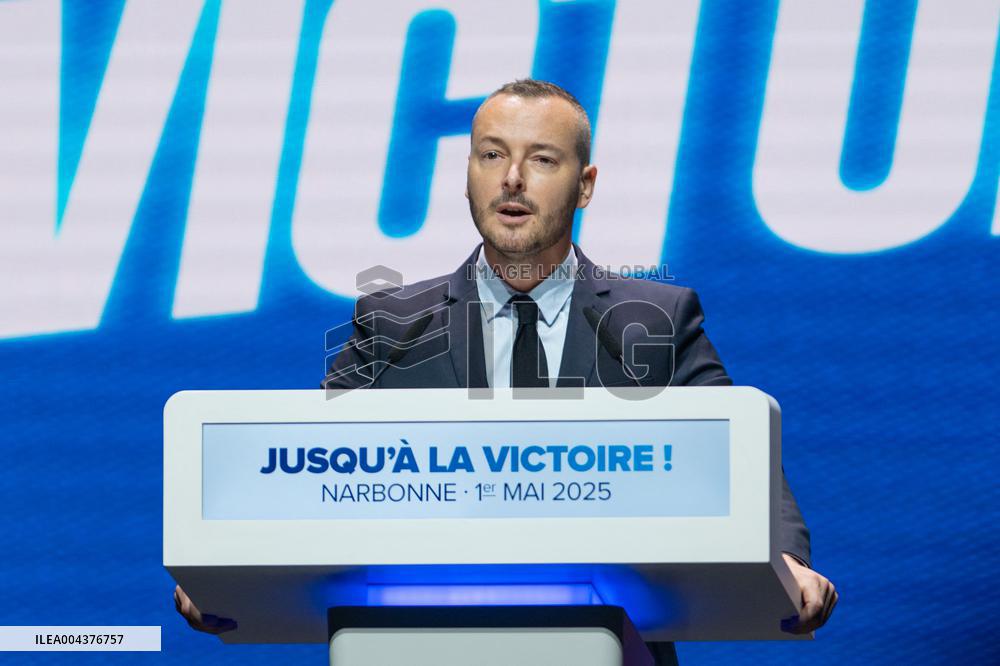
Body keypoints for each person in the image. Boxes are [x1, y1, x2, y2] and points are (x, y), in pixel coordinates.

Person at [176, 79, 837, 662]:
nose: (511, 178)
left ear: (585, 185)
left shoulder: (657, 320)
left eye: (541, 159)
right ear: (468, 172)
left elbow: (740, 460)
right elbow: (305, 471)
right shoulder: (390, 324)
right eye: (492, 154)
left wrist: (786, 562)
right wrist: (226, 571)